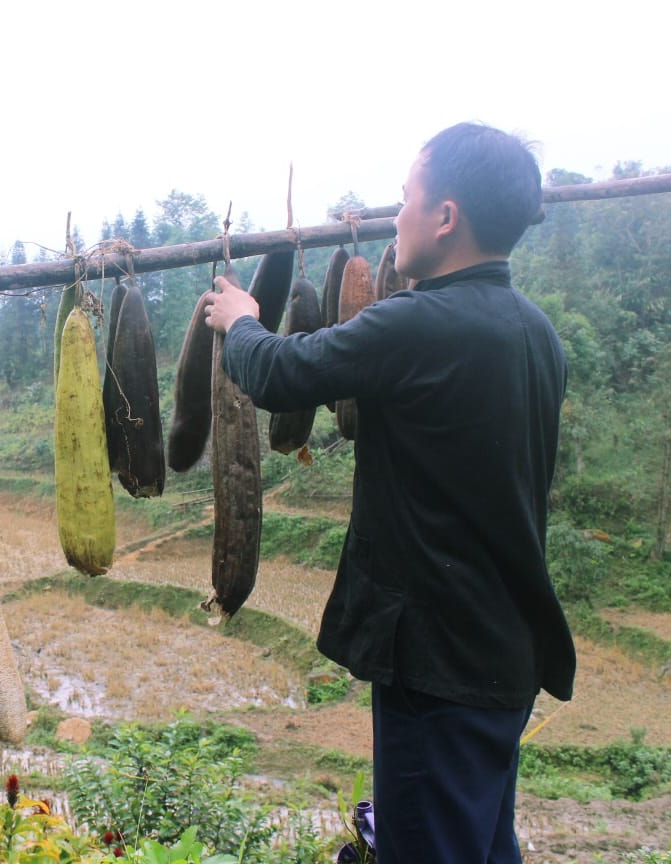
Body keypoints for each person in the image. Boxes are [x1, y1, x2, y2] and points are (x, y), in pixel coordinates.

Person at [203, 123, 576, 863]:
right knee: (480, 845)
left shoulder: (418, 324)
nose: (394, 213)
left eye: (406, 196)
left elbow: (281, 374)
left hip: (439, 660)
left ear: (445, 217)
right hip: (503, 652)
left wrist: (240, 322)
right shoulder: (537, 335)